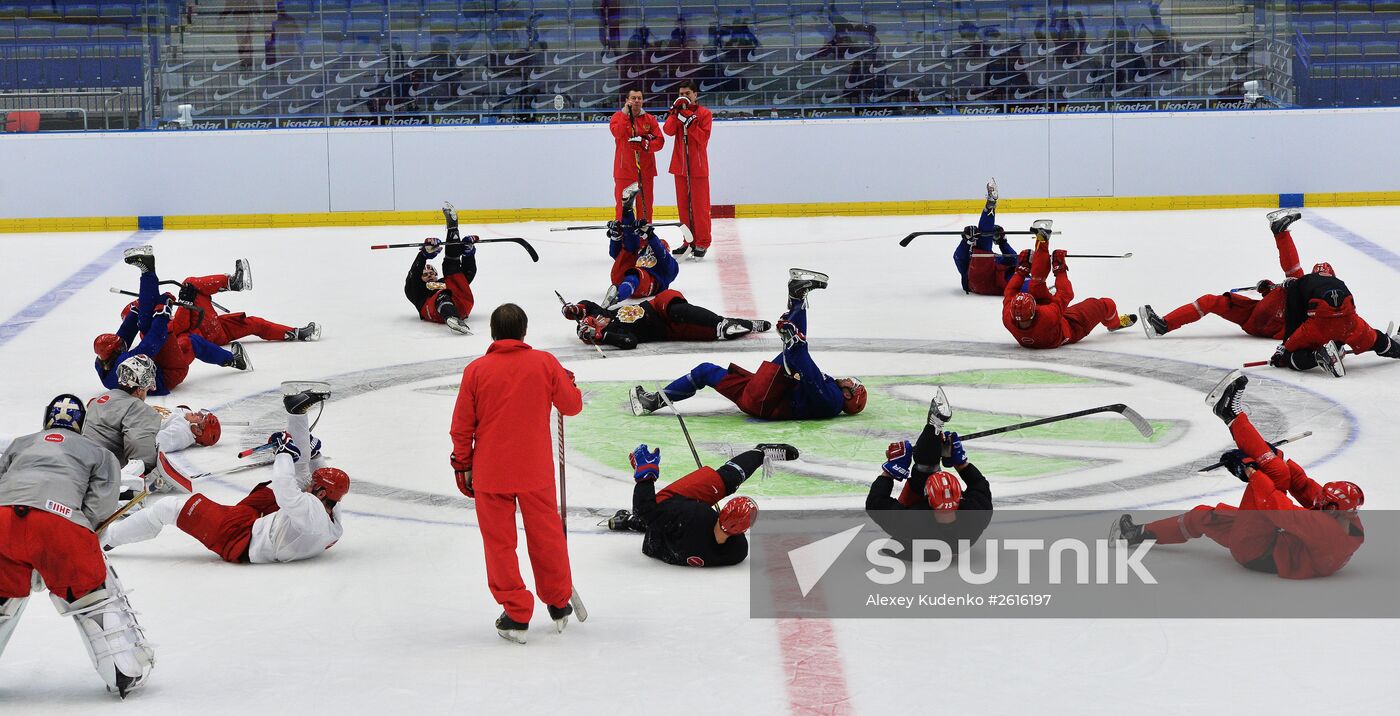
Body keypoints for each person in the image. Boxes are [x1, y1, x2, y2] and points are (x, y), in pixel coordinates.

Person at [1112, 372, 1365, 579]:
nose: (1319, 498)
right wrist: (1276, 456)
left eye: (1325, 499)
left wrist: (1250, 469)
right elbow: (1303, 486)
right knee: (1203, 515)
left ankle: (1230, 414)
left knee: (1274, 474)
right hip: (1272, 540)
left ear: (1334, 509)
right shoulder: (1344, 519)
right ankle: (1136, 533)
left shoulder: (1323, 528)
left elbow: (1275, 504)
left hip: (1257, 550)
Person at [0, 395, 154, 697]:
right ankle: (123, 671)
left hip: (2, 520)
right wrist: (65, 539)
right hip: (59, 520)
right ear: (81, 425)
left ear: (46, 420)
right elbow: (99, 507)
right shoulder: (98, 452)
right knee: (93, 594)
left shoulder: (19, 444)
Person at [449, 304, 584, 644]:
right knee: (547, 535)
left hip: (491, 472)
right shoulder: (544, 363)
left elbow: (462, 427)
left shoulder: (476, 371)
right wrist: (566, 382)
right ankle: (557, 601)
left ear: (493, 333)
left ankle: (516, 611)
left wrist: (462, 464)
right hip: (535, 469)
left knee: (499, 544)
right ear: (524, 331)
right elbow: (571, 405)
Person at [104, 386, 348, 565]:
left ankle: (107, 539)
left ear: (323, 493)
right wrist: (315, 455)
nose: (310, 485)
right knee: (301, 472)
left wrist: (284, 453)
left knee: (167, 508)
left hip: (239, 536)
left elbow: (286, 491)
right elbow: (305, 481)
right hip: (266, 520)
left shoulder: (311, 510)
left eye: (316, 486)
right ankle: (296, 412)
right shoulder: (331, 519)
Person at [630, 269, 867, 420]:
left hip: (764, 401)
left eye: (852, 384)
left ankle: (797, 301)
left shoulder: (833, 401)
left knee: (793, 355)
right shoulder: (833, 395)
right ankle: (651, 402)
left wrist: (797, 345)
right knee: (705, 371)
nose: (848, 379)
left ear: (849, 395)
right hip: (758, 391)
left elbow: (811, 377)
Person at [605, 443, 796, 567]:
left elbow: (645, 511)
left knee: (724, 480)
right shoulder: (737, 551)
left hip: (662, 534)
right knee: (660, 519)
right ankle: (632, 521)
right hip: (664, 544)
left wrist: (645, 477)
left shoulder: (694, 514)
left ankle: (759, 452)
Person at [94, 247, 251, 394]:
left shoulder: (102, 362)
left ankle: (147, 271)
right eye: (120, 346)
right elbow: (152, 342)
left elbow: (126, 334)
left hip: (154, 361)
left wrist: (140, 309)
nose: (123, 344)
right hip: (168, 374)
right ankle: (234, 360)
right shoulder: (125, 363)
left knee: (147, 323)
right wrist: (163, 312)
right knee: (190, 341)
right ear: (114, 353)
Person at [1140, 209, 1305, 339]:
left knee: (1297, 280)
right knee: (1210, 301)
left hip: (1276, 324)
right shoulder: (1312, 290)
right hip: (1256, 317)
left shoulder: (1317, 296)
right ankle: (1163, 325)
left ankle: (1280, 232)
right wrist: (1267, 288)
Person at [865, 398, 993, 560]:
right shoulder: (975, 513)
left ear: (928, 499)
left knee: (925, 469)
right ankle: (934, 427)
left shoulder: (912, 521)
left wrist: (892, 469)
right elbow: (979, 484)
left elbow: (875, 503)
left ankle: (934, 427)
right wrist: (960, 463)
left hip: (911, 546)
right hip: (954, 542)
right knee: (927, 468)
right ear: (960, 497)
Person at [1002, 225, 1137, 349]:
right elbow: (1066, 294)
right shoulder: (1047, 317)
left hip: (1049, 324)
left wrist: (1021, 270)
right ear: (1034, 310)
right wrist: (1060, 269)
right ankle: (1114, 324)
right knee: (1106, 304)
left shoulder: (1008, 318)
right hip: (1071, 326)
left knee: (1036, 284)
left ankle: (1042, 243)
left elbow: (1010, 291)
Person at [1266, 257, 1399, 377]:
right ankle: (1395, 348)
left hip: (1320, 326)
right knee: (1376, 338)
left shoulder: (1300, 284)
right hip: (1349, 324)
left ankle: (1318, 356)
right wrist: (1340, 342)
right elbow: (1349, 313)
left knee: (1289, 356)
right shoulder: (1339, 282)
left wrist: (1284, 349)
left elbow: (1293, 319)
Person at [562, 288, 770, 349]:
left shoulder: (605, 314)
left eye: (596, 319)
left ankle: (724, 322)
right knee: (714, 332)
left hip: (656, 305)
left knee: (675, 307)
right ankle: (745, 325)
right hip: (666, 328)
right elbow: (629, 342)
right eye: (596, 323)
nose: (600, 319)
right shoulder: (615, 333)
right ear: (596, 331)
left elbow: (589, 306)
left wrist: (576, 310)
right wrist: (605, 336)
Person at [171, 259, 320, 344]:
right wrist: (186, 302)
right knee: (189, 284)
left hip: (216, 331)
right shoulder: (153, 327)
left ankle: (297, 333)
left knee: (255, 323)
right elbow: (179, 326)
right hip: (204, 333)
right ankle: (232, 283)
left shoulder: (152, 318)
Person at [404, 203, 477, 335]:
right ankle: (452, 318)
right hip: (433, 309)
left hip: (460, 302)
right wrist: (423, 255)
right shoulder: (417, 292)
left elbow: (468, 275)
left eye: (432, 273)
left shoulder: (444, 282)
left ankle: (453, 228)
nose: (429, 275)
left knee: (450, 268)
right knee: (441, 295)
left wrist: (468, 255)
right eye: (425, 274)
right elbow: (413, 276)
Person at [604, 184, 680, 307]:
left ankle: (616, 297)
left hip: (649, 283)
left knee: (635, 275)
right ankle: (627, 209)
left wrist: (650, 235)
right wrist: (615, 236)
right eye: (647, 249)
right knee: (631, 245)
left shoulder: (670, 266)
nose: (648, 250)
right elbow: (616, 255)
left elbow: (660, 252)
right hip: (622, 277)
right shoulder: (640, 252)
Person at [663, 80, 714, 260]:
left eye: (687, 94)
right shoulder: (676, 114)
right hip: (680, 167)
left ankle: (702, 242)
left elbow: (702, 139)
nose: (684, 97)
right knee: (684, 208)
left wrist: (690, 121)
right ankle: (688, 241)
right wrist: (675, 113)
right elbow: (667, 131)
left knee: (700, 207)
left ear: (695, 95)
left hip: (698, 168)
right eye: (681, 94)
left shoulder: (705, 114)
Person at [952, 178, 1019, 296]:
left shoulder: (991, 256)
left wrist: (1003, 243)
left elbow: (1014, 260)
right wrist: (965, 242)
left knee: (1018, 269)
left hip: (997, 281)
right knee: (983, 252)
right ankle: (990, 206)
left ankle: (990, 205)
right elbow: (958, 257)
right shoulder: (970, 260)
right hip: (978, 281)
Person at [609, 88, 664, 223]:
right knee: (622, 208)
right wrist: (625, 115)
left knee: (645, 208)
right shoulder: (617, 117)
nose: (637, 101)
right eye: (633, 98)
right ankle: (622, 241)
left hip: (645, 171)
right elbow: (617, 133)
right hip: (624, 171)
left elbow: (660, 142)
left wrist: (645, 145)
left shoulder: (650, 119)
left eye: (639, 98)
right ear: (627, 100)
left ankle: (644, 240)